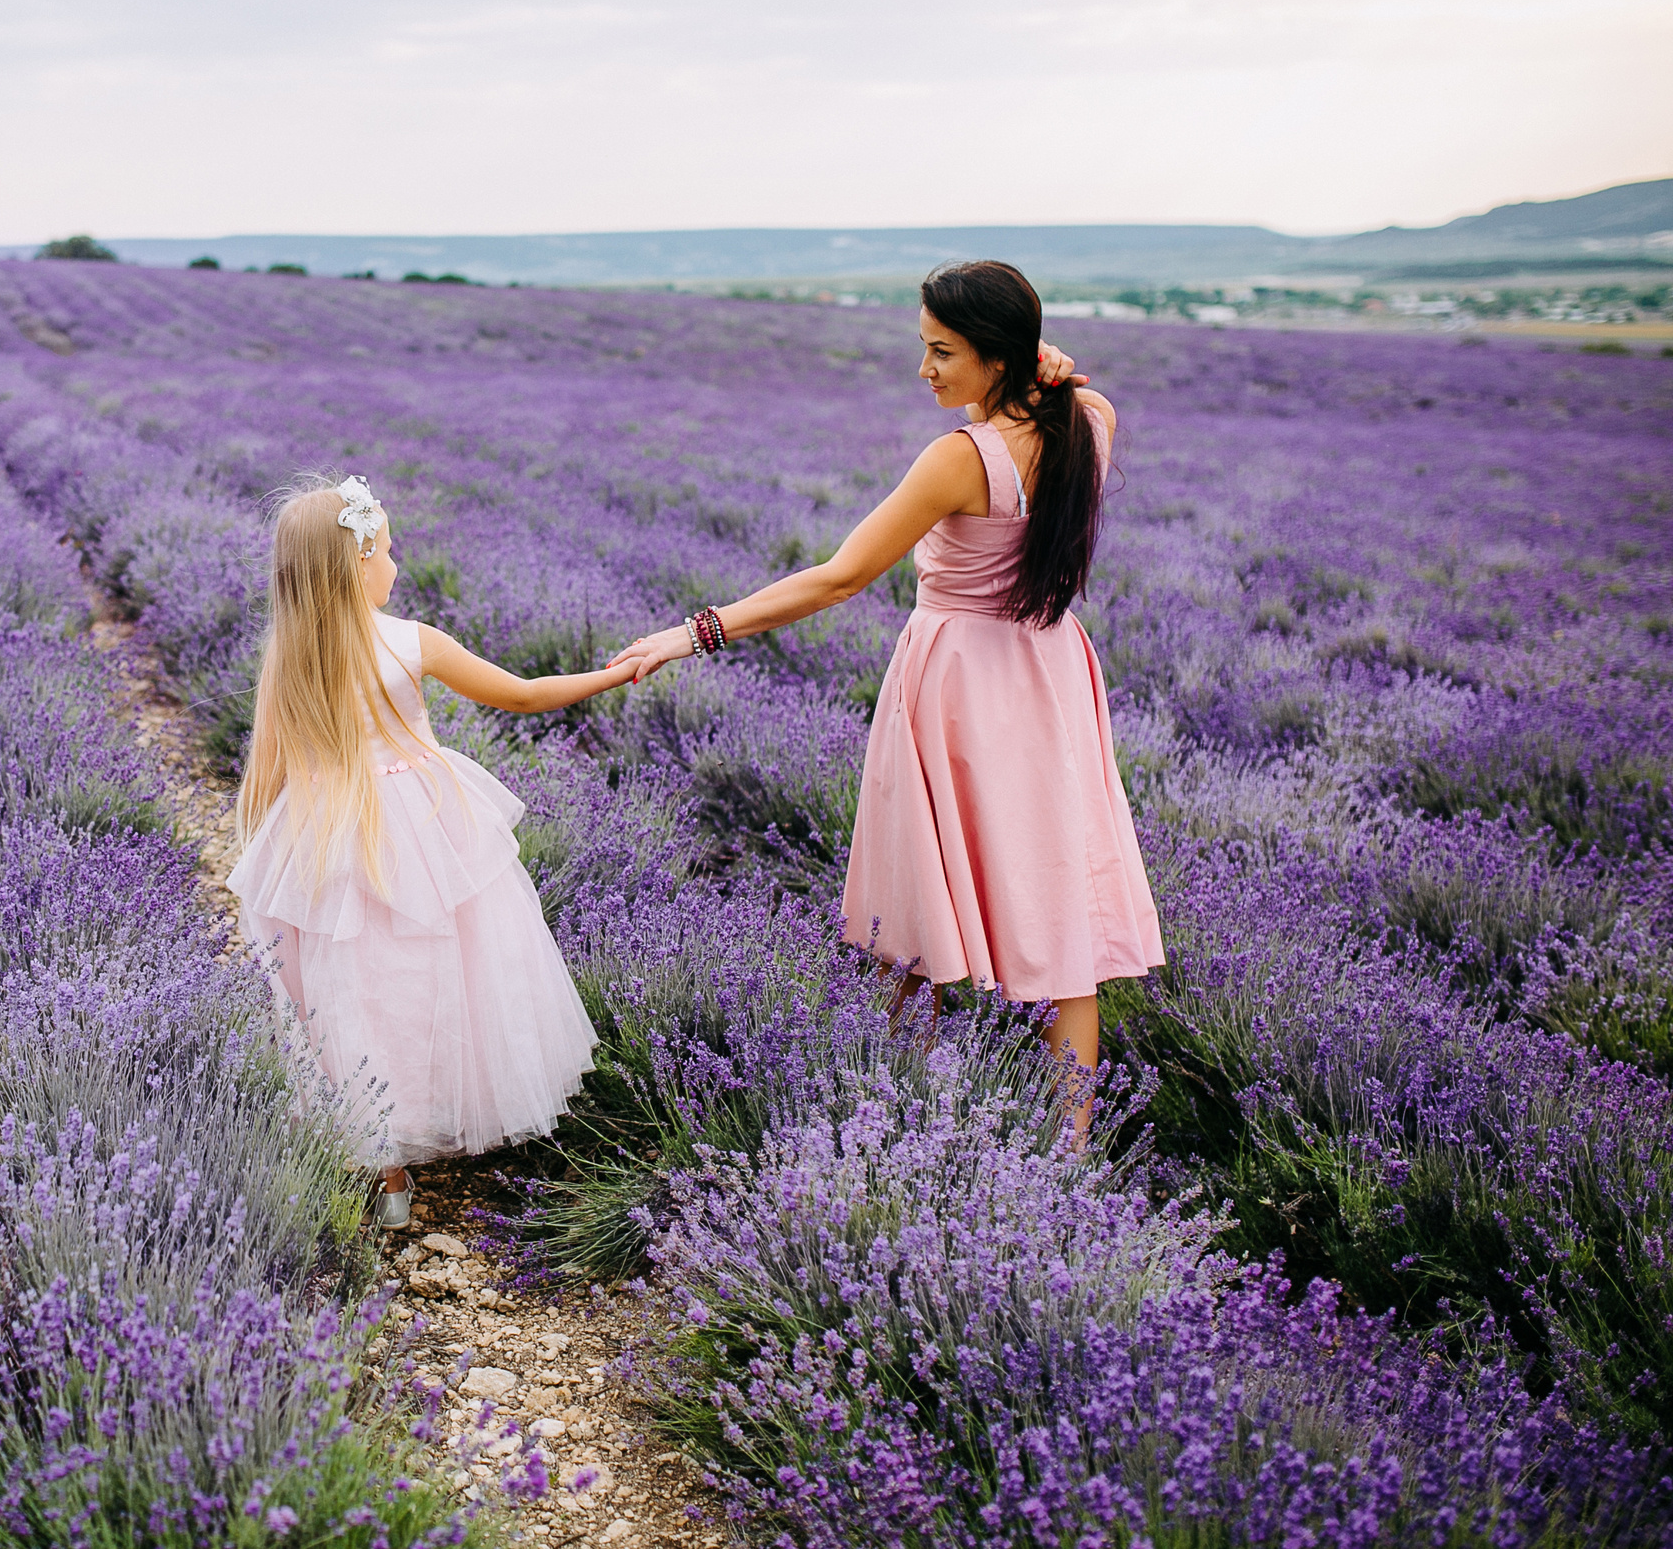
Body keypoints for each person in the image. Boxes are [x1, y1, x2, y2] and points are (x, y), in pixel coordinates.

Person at [609, 261, 1163, 1088]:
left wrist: (696, 631)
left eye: (942, 351)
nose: (925, 370)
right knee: (1061, 913)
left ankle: (898, 1102)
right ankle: (1073, 1150)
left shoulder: (959, 459)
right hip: (1049, 673)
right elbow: (1071, 387)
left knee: (910, 910)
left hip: (958, 686)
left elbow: (838, 577)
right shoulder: (1090, 420)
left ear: (996, 355)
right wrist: (1040, 358)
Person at [229, 477, 631, 1226]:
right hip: (423, 826)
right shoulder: (409, 641)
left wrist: (266, 851)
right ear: (358, 562)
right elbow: (521, 694)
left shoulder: (289, 654)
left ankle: (389, 1176)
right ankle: (460, 1099)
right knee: (451, 962)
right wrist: (612, 673)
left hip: (330, 832)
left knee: (356, 989)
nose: (398, 565)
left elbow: (271, 763)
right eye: (389, 549)